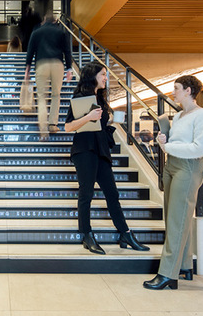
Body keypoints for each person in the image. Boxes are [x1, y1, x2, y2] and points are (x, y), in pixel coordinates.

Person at [64, 61, 150, 254]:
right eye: (103, 74)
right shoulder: (81, 97)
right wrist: (88, 117)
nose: (106, 78)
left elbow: (99, 124)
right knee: (86, 194)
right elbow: (68, 126)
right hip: (85, 150)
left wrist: (112, 120)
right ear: (93, 76)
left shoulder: (100, 99)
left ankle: (125, 233)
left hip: (101, 149)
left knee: (112, 193)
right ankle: (86, 234)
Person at [143, 75, 203, 290]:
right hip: (173, 165)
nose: (173, 92)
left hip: (189, 166)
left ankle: (167, 273)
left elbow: (200, 148)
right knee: (176, 218)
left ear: (189, 91)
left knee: (177, 220)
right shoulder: (179, 115)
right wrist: (163, 140)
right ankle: (184, 265)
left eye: (176, 88)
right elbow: (175, 142)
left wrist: (169, 148)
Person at [24, 13, 73, 138]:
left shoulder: (36, 32)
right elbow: (67, 51)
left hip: (42, 64)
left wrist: (27, 70)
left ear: (44, 20)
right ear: (55, 21)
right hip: (57, 64)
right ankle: (53, 124)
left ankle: (43, 129)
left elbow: (30, 52)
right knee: (56, 94)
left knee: (41, 97)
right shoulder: (61, 33)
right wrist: (69, 69)